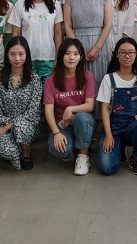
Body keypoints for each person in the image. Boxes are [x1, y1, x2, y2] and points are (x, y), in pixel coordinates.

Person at [97, 38, 137, 176]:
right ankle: (119, 148)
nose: (127, 56)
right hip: (114, 128)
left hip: (133, 126)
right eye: (123, 52)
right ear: (117, 54)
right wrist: (108, 135)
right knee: (106, 167)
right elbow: (104, 108)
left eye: (131, 52)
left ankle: (136, 159)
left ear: (136, 54)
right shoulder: (109, 78)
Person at [0, 37, 42, 170]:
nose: (17, 58)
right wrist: (6, 126)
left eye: (21, 54)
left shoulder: (34, 79)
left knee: (21, 128)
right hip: (3, 126)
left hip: (27, 126)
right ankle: (15, 150)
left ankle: (26, 152)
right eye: (13, 54)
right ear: (7, 55)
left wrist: (10, 126)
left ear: (26, 55)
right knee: (8, 152)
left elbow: (34, 111)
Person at [43, 38, 96, 176]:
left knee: (81, 117)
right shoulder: (50, 80)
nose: (72, 57)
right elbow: (48, 111)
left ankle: (83, 156)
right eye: (67, 53)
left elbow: (90, 106)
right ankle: (70, 151)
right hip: (62, 124)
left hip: (83, 121)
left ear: (81, 57)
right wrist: (56, 133)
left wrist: (70, 109)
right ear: (61, 56)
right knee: (58, 150)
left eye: (76, 54)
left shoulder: (87, 76)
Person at [63, 0, 113, 93]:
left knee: (100, 83)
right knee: (79, 83)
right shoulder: (70, 0)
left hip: (100, 45)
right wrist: (78, 50)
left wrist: (96, 49)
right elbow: (67, 26)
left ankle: (99, 107)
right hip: (77, 45)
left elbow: (107, 25)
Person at [10, 0, 63, 80]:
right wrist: (17, 55)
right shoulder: (20, 5)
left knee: (46, 89)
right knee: (27, 88)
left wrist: (58, 57)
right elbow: (15, 34)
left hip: (48, 57)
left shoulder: (55, 5)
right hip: (26, 57)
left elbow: (58, 33)